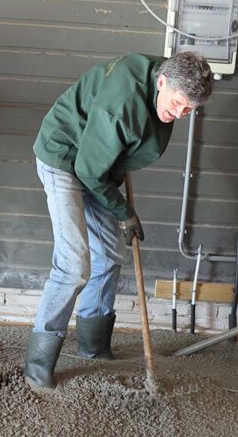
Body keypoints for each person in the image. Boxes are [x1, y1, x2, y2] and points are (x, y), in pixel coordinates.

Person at [24, 51, 214, 391]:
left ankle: (92, 347)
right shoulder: (122, 107)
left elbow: (105, 161)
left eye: (190, 110)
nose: (181, 114)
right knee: (73, 264)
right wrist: (124, 212)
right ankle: (38, 365)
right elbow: (87, 171)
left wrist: (119, 179)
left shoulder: (172, 74)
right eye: (178, 103)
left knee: (110, 255)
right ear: (161, 83)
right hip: (66, 159)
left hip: (99, 166)